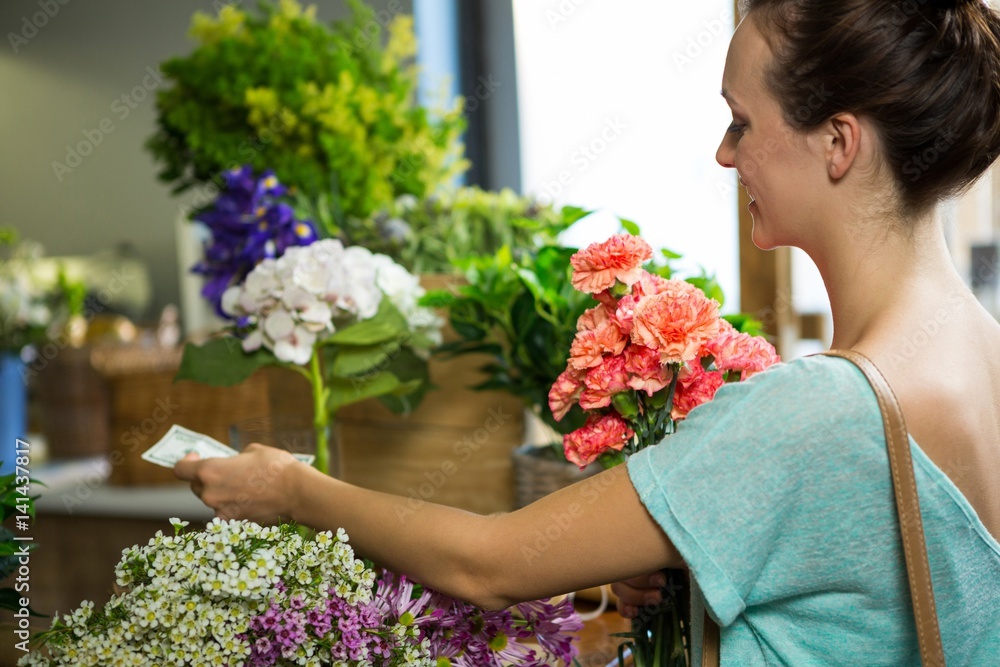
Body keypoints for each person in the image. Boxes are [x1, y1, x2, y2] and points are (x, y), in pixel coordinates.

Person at [176, 0, 1000, 663]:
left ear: (839, 143)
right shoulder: (981, 349)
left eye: (742, 122)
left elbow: (486, 564)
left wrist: (291, 489)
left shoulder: (816, 410)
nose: (723, 153)